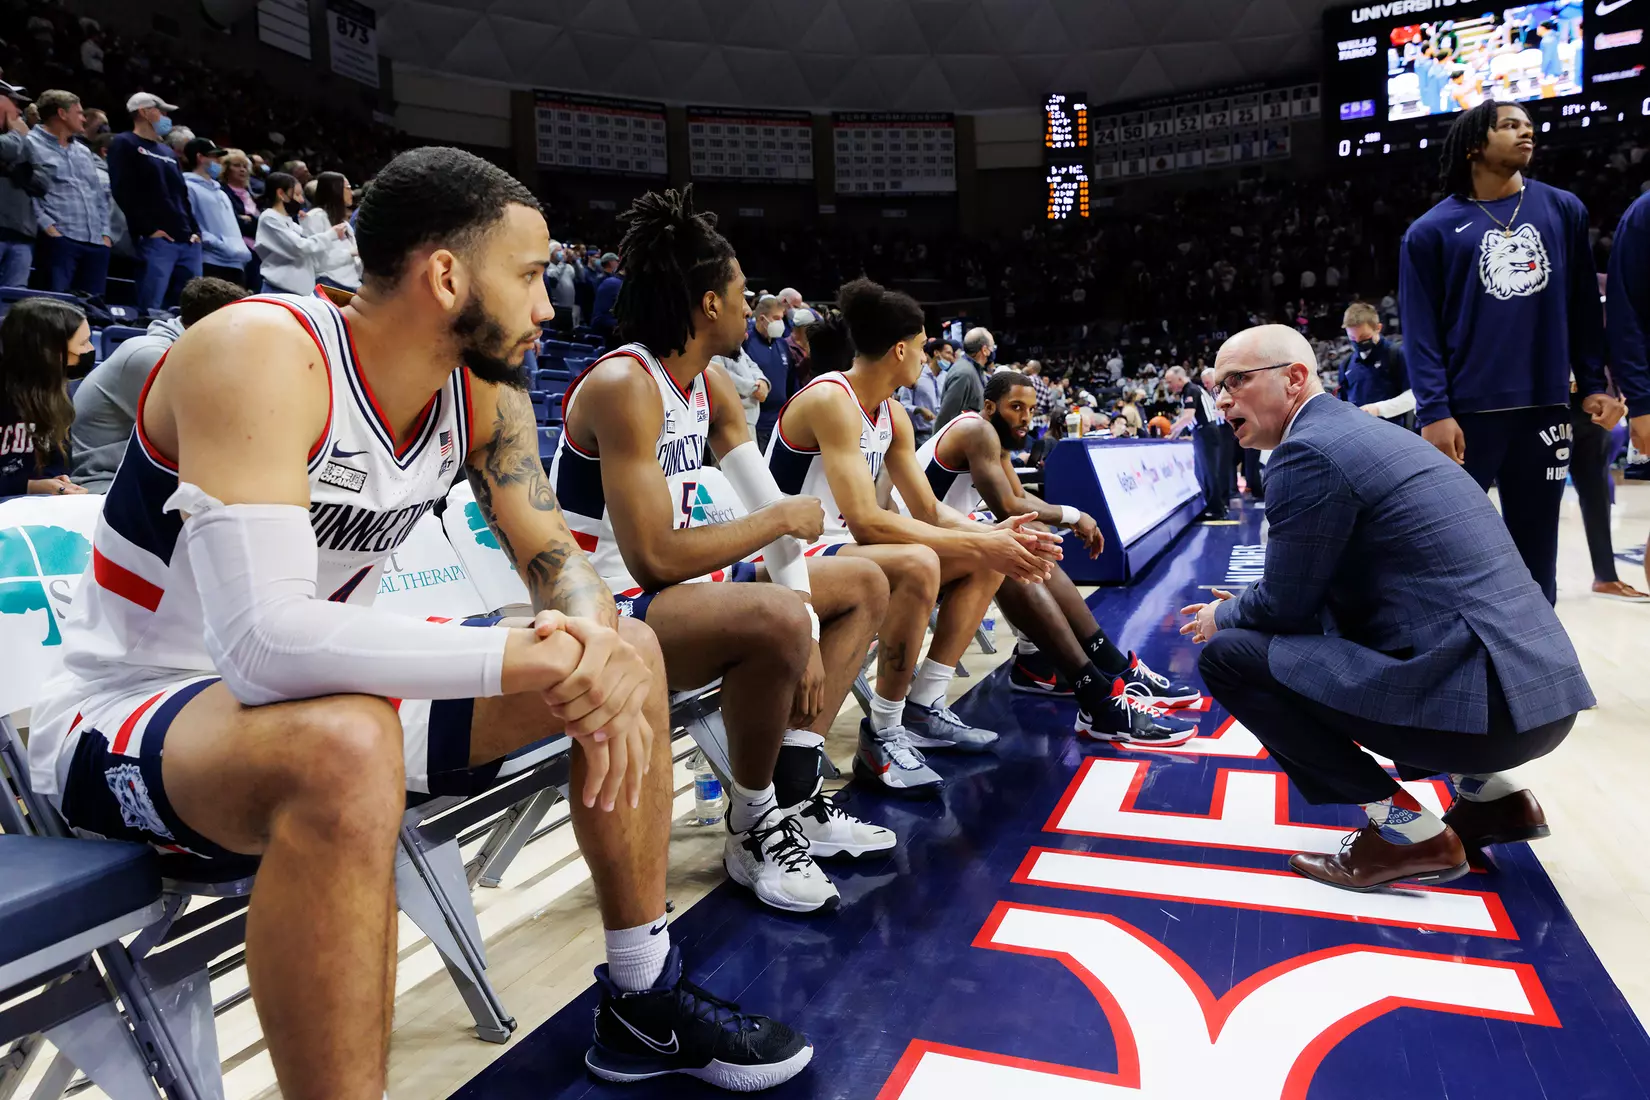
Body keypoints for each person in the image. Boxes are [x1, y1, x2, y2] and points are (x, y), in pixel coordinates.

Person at [26, 146, 813, 1099]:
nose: (549, 307)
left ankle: (641, 996)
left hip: (326, 698)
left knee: (631, 651)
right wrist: (516, 657)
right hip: (132, 714)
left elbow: (557, 561)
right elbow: (262, 644)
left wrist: (588, 641)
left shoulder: (482, 395)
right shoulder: (263, 351)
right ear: (446, 275)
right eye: (528, 276)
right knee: (349, 745)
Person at [550, 188, 894, 912]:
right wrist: (788, 604)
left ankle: (794, 792)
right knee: (773, 618)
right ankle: (751, 822)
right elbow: (654, 558)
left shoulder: (710, 384)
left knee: (862, 584)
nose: (754, 307)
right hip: (605, 604)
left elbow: (774, 507)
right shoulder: (624, 384)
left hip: (672, 595)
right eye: (744, 294)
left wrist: (802, 609)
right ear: (708, 304)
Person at [1181, 325, 1591, 891]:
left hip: (1487, 710)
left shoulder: (1307, 452)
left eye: (1237, 381)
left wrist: (1223, 616)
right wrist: (1260, 605)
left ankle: (1405, 833)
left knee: (1229, 656)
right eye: (1217, 386)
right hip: (1542, 698)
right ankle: (1492, 799)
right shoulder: (1366, 433)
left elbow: (1283, 605)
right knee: (1359, 629)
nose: (1222, 398)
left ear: (1295, 379)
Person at [768, 280, 1061, 797]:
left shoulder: (893, 412)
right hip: (787, 557)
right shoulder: (832, 398)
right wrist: (978, 541)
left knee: (989, 559)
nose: (928, 359)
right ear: (900, 349)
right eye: (924, 348)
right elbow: (865, 520)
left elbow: (928, 508)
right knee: (921, 562)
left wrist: (990, 536)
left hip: (841, 551)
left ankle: (924, 707)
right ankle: (882, 731)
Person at [894, 370, 1200, 745]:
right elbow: (1007, 505)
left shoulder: (995, 438)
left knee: (1027, 546)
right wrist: (1073, 516)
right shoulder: (977, 431)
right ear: (990, 407)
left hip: (936, 544)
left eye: (1030, 409)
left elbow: (1023, 498)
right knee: (1009, 553)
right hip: (906, 549)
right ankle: (1095, 694)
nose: (1024, 417)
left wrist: (1066, 519)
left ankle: (1082, 667)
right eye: (1015, 407)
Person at [1399, 100, 1609, 604]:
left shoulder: (1563, 209)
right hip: (1467, 416)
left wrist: (1595, 383)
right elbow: (1421, 331)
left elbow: (1583, 304)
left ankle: (1535, 673)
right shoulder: (1429, 231)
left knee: (1538, 560)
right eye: (1510, 126)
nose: (1526, 134)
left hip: (1544, 407)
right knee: (1448, 552)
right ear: (1475, 143)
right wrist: (1434, 411)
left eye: (1529, 128)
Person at [70, 277, 248, 491]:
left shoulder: (191, 354)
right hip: (102, 482)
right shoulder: (150, 356)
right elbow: (201, 439)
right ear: (209, 325)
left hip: (144, 478)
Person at [109, 92, 201, 311]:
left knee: (189, 309)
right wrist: (148, 229)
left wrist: (196, 231)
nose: (165, 117)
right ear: (143, 112)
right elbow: (122, 190)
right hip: (157, 241)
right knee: (151, 307)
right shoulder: (124, 143)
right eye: (160, 111)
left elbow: (182, 195)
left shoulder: (167, 152)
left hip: (187, 240)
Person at [1, 296, 92, 497]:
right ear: (48, 352)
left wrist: (59, 483)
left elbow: (58, 461)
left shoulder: (54, 384)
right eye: (83, 343)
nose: (90, 350)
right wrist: (30, 486)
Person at [27, 89, 112, 295]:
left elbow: (98, 195)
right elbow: (28, 193)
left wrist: (105, 234)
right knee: (56, 308)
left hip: (95, 242)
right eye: (79, 113)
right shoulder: (30, 143)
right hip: (59, 241)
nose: (84, 118)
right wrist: (50, 229)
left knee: (93, 312)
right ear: (62, 114)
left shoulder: (83, 151)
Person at [254, 171, 349, 295]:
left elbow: (308, 243)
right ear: (281, 194)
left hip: (300, 291)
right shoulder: (269, 218)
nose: (301, 200)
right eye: (297, 194)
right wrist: (331, 234)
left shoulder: (289, 221)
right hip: (280, 290)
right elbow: (299, 247)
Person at [182, 136, 250, 285]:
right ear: (200, 157)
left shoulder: (221, 192)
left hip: (236, 262)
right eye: (214, 156)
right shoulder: (188, 187)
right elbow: (191, 225)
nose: (218, 161)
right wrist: (220, 245)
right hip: (210, 261)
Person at [0, 83, 47, 288]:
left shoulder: (23, 139)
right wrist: (18, 137)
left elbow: (44, 182)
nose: (20, 111)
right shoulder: (20, 136)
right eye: (14, 103)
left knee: (12, 306)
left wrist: (12, 170)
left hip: (21, 234)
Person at [1165, 365, 1226, 520]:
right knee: (1201, 472)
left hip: (1205, 432)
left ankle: (1217, 510)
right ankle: (1214, 506)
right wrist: (1174, 434)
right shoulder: (1192, 389)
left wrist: (1169, 428)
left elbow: (1187, 417)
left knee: (1208, 472)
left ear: (1179, 379)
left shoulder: (1190, 390)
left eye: (1170, 381)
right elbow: (1188, 419)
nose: (1169, 386)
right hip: (1203, 432)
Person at [1338, 301, 1412, 424]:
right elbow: (1342, 403)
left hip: (1393, 433)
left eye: (1364, 337)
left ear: (1378, 328)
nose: (1358, 342)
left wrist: (1378, 409)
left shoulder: (1397, 354)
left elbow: (1412, 397)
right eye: (1352, 338)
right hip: (1358, 433)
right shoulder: (1346, 364)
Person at [744, 293, 792, 449]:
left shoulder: (783, 345)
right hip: (758, 422)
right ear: (762, 319)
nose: (780, 323)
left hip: (781, 422)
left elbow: (791, 381)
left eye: (782, 318)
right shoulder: (746, 343)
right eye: (776, 318)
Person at [301, 171, 362, 290]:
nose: (352, 192)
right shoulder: (315, 217)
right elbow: (319, 263)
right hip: (330, 284)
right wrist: (351, 252)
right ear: (336, 189)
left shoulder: (343, 222)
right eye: (348, 188)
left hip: (353, 284)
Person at [936, 325, 993, 429]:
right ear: (984, 350)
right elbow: (946, 416)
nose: (992, 352)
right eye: (992, 348)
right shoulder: (964, 373)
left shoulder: (976, 370)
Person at [219, 148, 259, 282]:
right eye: (236, 166)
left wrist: (250, 219)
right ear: (226, 169)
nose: (242, 170)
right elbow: (235, 222)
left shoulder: (251, 193)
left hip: (257, 249)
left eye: (245, 166)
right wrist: (250, 221)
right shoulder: (222, 192)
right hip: (236, 250)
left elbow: (261, 223)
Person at [589, 250, 623, 343]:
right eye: (616, 261)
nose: (618, 263)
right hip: (607, 332)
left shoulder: (614, 281)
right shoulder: (608, 282)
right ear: (611, 262)